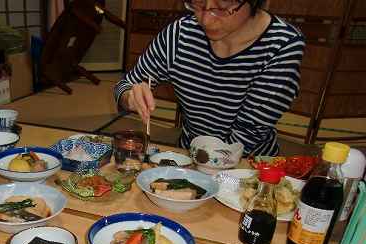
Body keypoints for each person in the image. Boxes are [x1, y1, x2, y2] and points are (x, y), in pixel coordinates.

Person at [114, 0, 305, 156]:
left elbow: (247, 134)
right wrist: (130, 97)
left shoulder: (282, 45)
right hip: (190, 153)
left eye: (221, 8)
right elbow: (124, 86)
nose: (205, 20)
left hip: (248, 166)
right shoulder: (180, 33)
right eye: (197, 4)